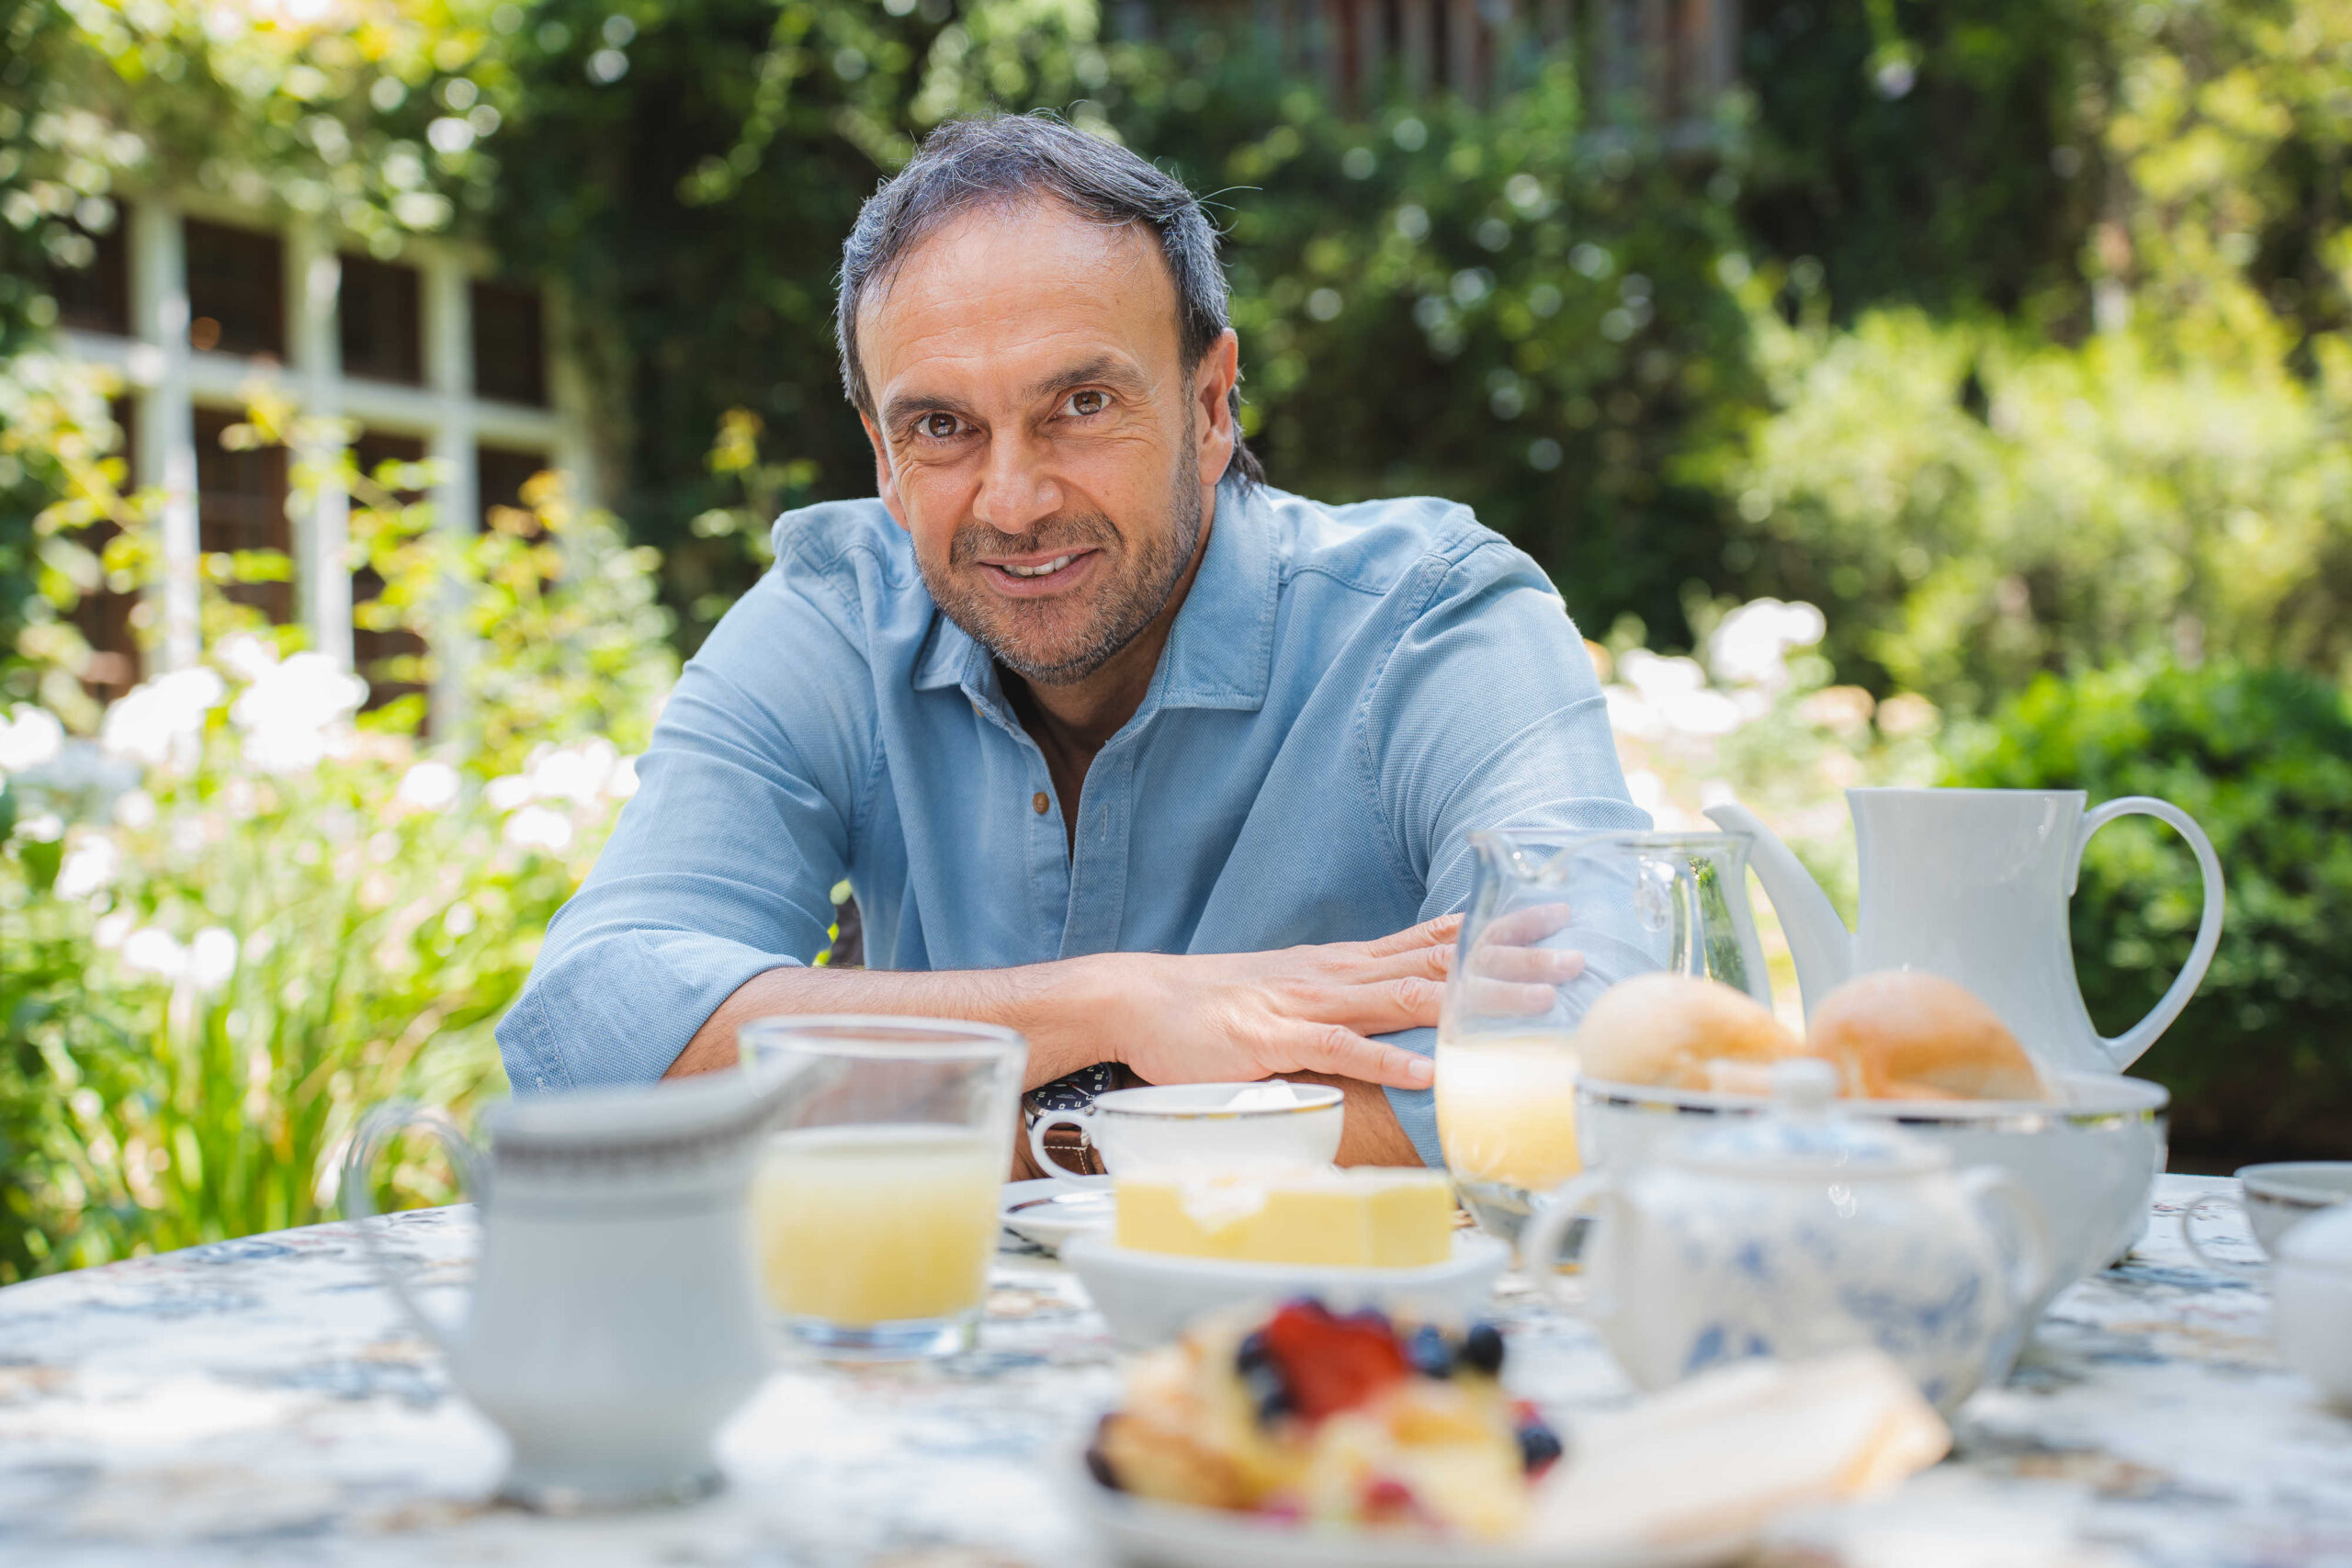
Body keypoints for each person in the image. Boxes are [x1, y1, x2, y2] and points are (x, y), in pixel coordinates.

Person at [495, 112, 1644, 1171]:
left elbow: (1595, 1050)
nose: (1012, 502)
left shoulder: (1433, 620)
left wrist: (1037, 1126)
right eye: (941, 427)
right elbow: (594, 1031)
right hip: (920, 1366)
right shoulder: (835, 621)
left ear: (1209, 406)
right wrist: (1110, 1004)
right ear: (883, 459)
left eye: (1081, 405)